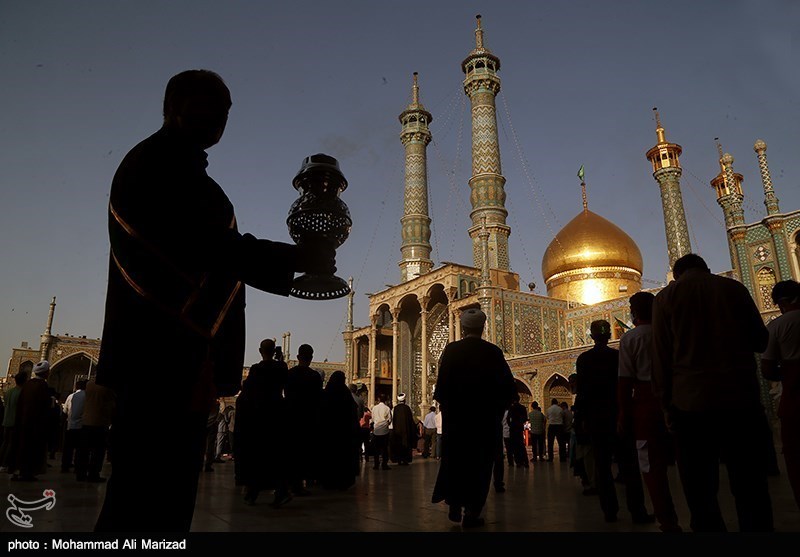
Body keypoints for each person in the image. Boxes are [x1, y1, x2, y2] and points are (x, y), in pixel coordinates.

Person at [93, 69, 336, 532]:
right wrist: (296, 257)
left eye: (225, 111)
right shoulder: (156, 166)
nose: (221, 120)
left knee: (164, 499)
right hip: (158, 356)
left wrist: (299, 259)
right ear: (175, 107)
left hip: (175, 359)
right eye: (211, 108)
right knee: (143, 499)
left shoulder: (186, 172)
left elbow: (220, 250)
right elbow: (210, 249)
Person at [652, 253, 773, 532]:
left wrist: (665, 404)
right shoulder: (733, 288)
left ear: (677, 273)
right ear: (707, 268)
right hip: (739, 399)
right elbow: (761, 340)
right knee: (749, 484)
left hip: (690, 404)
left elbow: (661, 357)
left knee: (700, 489)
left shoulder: (666, 298)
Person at [432, 308, 516, 528]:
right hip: (484, 424)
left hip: (457, 424)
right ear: (483, 327)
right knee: (480, 467)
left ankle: (454, 503)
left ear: (462, 327)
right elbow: (509, 391)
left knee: (456, 463)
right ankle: (472, 511)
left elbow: (440, 391)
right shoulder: (493, 352)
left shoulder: (452, 351)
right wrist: (495, 412)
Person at [575, 320, 652, 525]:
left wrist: (580, 418)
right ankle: (638, 511)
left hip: (596, 419)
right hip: (619, 416)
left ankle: (609, 511)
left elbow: (582, 392)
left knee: (602, 466)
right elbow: (628, 384)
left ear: (592, 336)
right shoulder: (618, 357)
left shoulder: (584, 359)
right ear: (609, 335)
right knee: (629, 465)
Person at [618, 291, 681, 532]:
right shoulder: (671, 332)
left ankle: (668, 520)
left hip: (646, 404)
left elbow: (624, 381)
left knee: (651, 466)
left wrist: (623, 414)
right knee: (687, 460)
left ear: (633, 314)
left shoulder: (630, 338)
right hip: (677, 398)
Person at [235, 338, 290, 506]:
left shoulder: (256, 369)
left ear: (260, 351)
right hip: (276, 414)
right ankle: (280, 491)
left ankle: (254, 489)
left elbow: (248, 390)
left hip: (259, 415)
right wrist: (280, 360)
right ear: (274, 351)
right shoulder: (281, 367)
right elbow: (284, 382)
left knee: (258, 454)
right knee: (276, 455)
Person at [761, 279, 800, 510]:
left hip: (795, 398)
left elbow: (766, 369)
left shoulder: (777, 325)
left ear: (782, 302)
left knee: (796, 458)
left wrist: (786, 373)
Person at [285, 343, 323, 494]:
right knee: (304, 453)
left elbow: (287, 394)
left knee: (292, 452)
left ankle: (292, 482)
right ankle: (300, 483)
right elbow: (318, 400)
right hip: (309, 420)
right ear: (311, 358)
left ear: (298, 357)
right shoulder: (314, 377)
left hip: (292, 418)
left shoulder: (290, 374)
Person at [14, 361, 55, 481]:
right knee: (32, 449)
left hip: (23, 422)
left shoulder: (28, 384)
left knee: (22, 447)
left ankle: (20, 471)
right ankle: (27, 473)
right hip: (36, 425)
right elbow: (45, 407)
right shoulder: (42, 386)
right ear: (46, 373)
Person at [319, 371, 360, 490]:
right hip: (344, 436)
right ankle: (343, 480)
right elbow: (353, 415)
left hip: (329, 435)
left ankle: (328, 480)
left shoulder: (326, 394)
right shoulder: (346, 395)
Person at [76, 380, 115, 483]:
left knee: (84, 450)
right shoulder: (106, 386)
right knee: (98, 451)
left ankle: (80, 474)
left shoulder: (89, 384)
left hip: (86, 421)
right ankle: (93, 474)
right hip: (100, 422)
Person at [0, 372, 27, 473]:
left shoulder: (9, 392)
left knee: (5, 442)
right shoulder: (22, 393)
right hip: (15, 422)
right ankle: (6, 464)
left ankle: (1, 462)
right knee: (12, 444)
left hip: (6, 420)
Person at [61, 379, 87, 474]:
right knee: (80, 450)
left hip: (70, 426)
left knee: (68, 448)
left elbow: (65, 411)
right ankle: (78, 467)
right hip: (81, 426)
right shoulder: (86, 396)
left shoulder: (71, 396)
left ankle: (65, 466)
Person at [389, 393, 416, 465]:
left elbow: (394, 420)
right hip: (406, 430)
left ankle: (399, 460)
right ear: (404, 400)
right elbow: (410, 420)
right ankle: (405, 460)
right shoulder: (407, 408)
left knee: (398, 445)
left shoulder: (396, 408)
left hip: (397, 431)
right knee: (405, 445)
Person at [370, 393, 392, 470]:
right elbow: (389, 420)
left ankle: (376, 464)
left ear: (378, 400)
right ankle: (384, 464)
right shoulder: (387, 408)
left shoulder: (374, 408)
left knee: (376, 449)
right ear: (385, 400)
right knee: (384, 448)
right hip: (384, 431)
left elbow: (372, 419)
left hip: (376, 431)